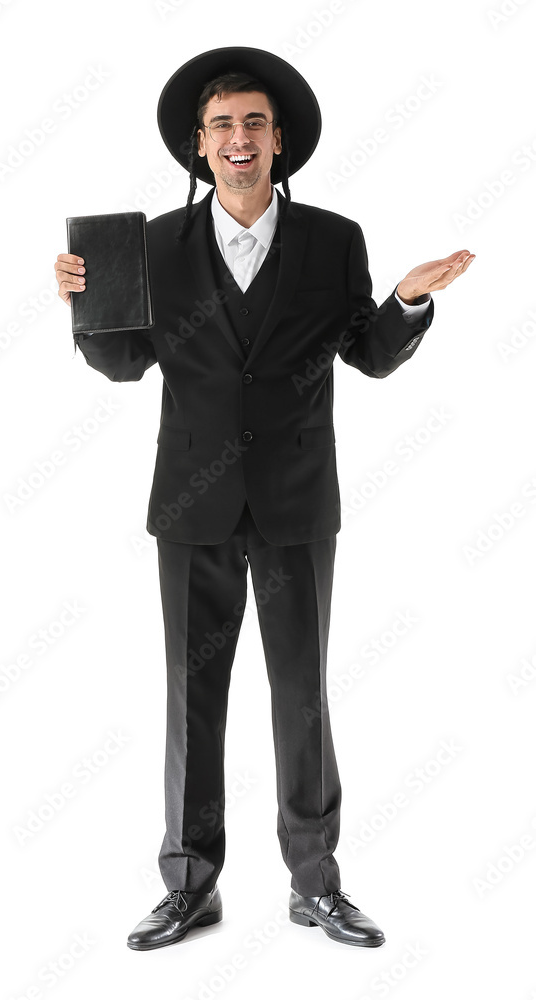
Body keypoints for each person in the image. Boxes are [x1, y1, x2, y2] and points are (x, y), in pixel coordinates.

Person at [54, 46, 474, 951]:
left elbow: (368, 353)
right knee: (191, 697)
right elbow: (124, 364)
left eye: (254, 122)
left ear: (279, 141)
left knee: (302, 695)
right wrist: (85, 307)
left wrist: (406, 300)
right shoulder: (151, 246)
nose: (238, 137)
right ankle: (190, 885)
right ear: (199, 145)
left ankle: (315, 884)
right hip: (190, 507)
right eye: (222, 126)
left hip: (296, 504)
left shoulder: (333, 240)